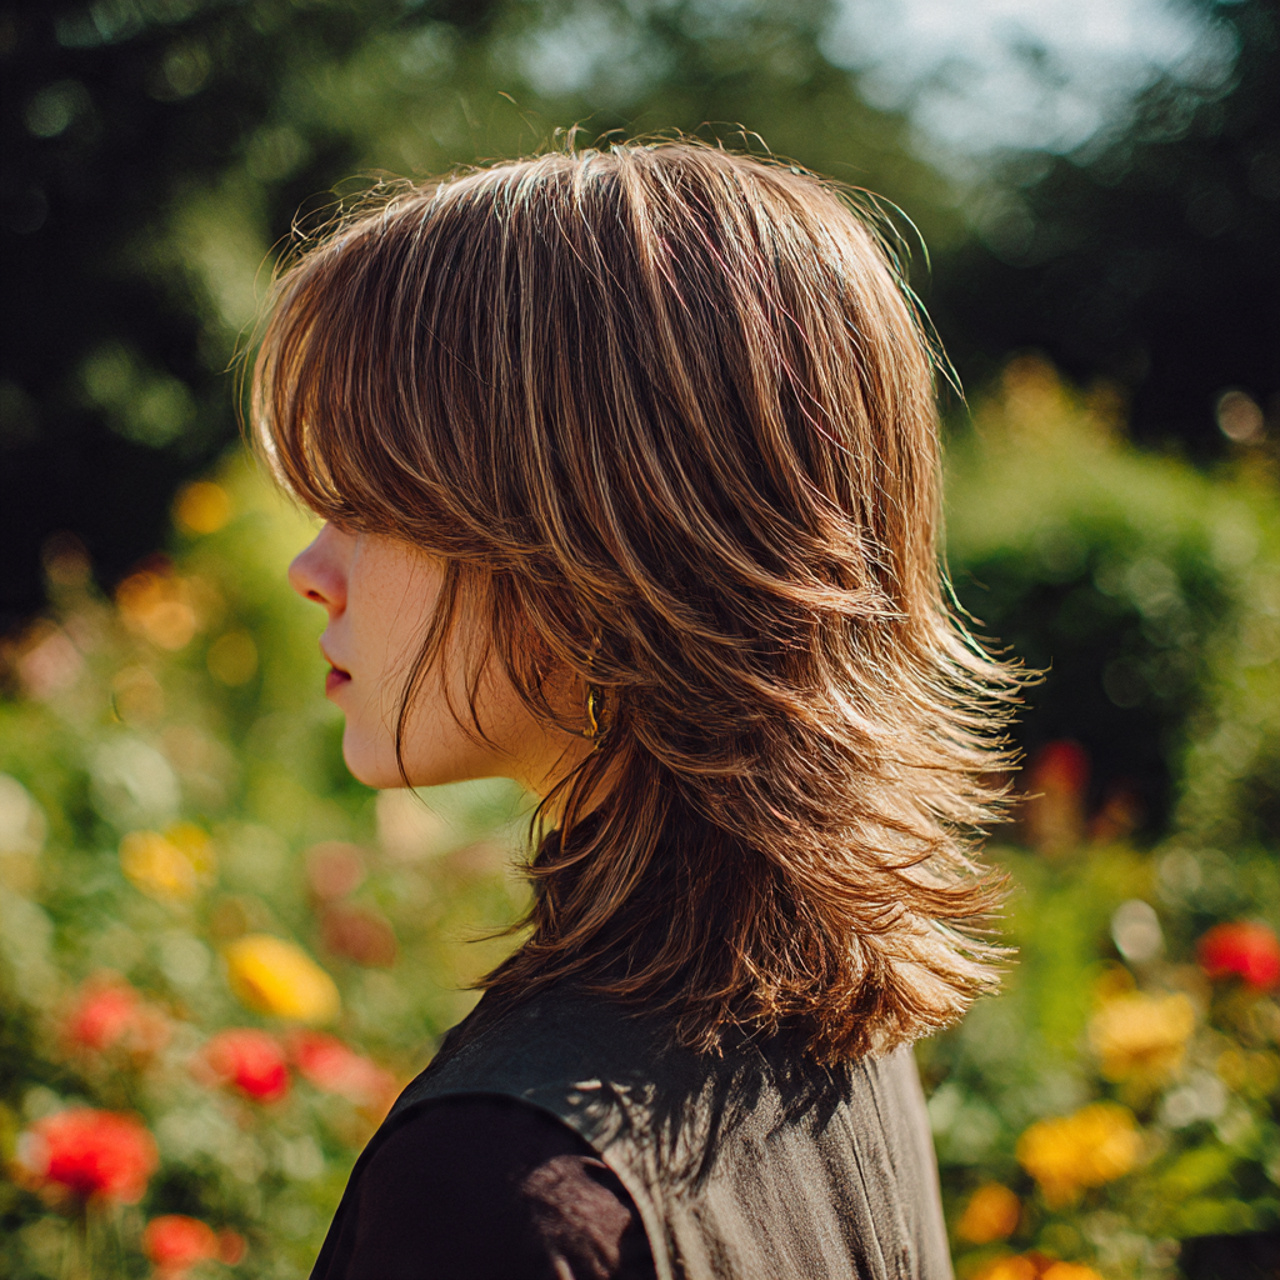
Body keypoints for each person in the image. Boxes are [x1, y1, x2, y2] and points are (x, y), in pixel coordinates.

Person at [256, 140, 1021, 1280]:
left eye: (370, 497)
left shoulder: (503, 1185)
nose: (311, 567)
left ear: (599, 546)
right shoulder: (832, 1010)